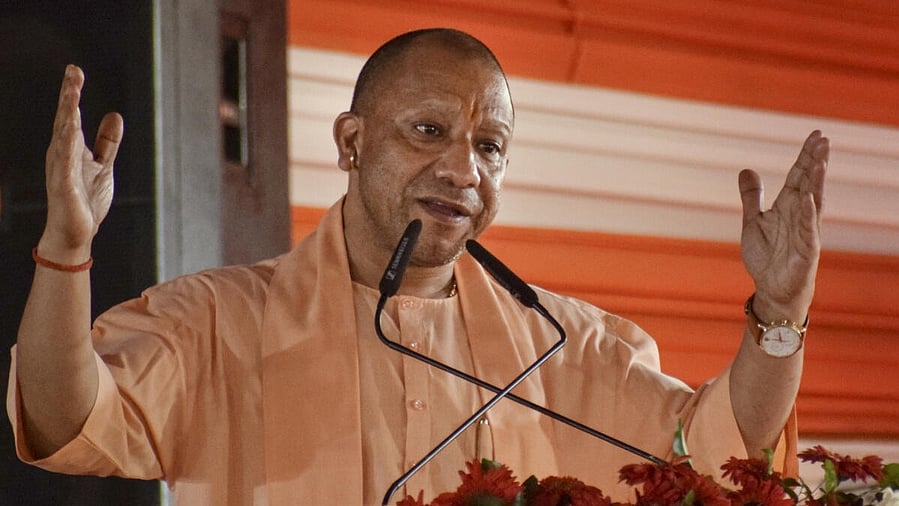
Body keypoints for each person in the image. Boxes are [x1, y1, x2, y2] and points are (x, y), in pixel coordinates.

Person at [8, 28, 828, 505]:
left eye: (489, 146)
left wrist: (781, 311)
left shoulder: (564, 343)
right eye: (429, 132)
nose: (464, 171)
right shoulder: (217, 322)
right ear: (351, 142)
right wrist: (68, 254)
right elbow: (64, 418)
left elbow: (714, 448)